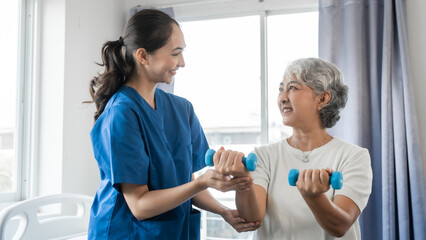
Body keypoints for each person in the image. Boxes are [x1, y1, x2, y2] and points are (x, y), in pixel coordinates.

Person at [86, 9, 260, 239]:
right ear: (143, 56)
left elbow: (183, 182)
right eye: (175, 53)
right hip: (125, 232)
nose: (183, 62)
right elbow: (139, 205)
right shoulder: (121, 114)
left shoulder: (182, 109)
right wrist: (202, 183)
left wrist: (224, 211)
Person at [212, 57, 373, 239]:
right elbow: (251, 218)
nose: (282, 98)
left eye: (293, 88)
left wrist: (313, 196)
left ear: (322, 98)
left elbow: (340, 226)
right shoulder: (263, 156)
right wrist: (242, 179)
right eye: (281, 89)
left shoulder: (353, 157)